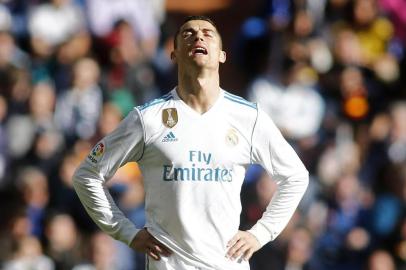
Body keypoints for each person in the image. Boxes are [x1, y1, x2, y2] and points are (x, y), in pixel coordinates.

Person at [72, 15, 309, 270]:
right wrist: (127, 232)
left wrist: (261, 232)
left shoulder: (249, 117)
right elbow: (86, 175)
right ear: (174, 55)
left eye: (208, 33)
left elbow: (296, 177)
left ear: (222, 55)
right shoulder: (148, 119)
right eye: (188, 34)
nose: (198, 36)